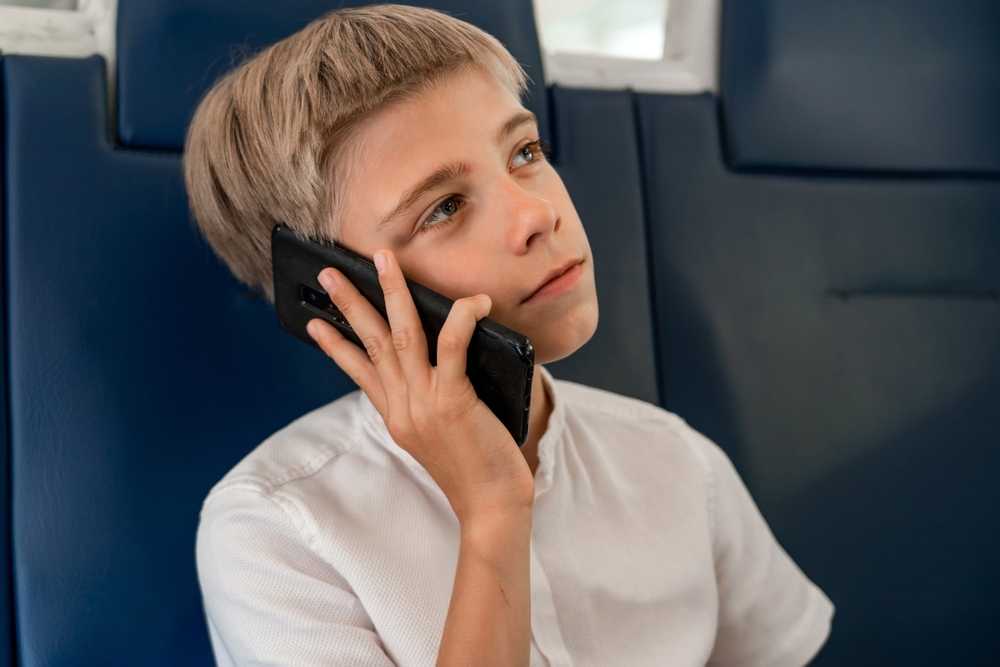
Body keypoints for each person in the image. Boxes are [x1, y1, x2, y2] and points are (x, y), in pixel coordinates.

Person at [184, 5, 833, 666]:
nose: (538, 212)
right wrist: (493, 510)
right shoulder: (277, 531)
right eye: (444, 207)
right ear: (334, 289)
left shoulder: (678, 464)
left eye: (524, 153)